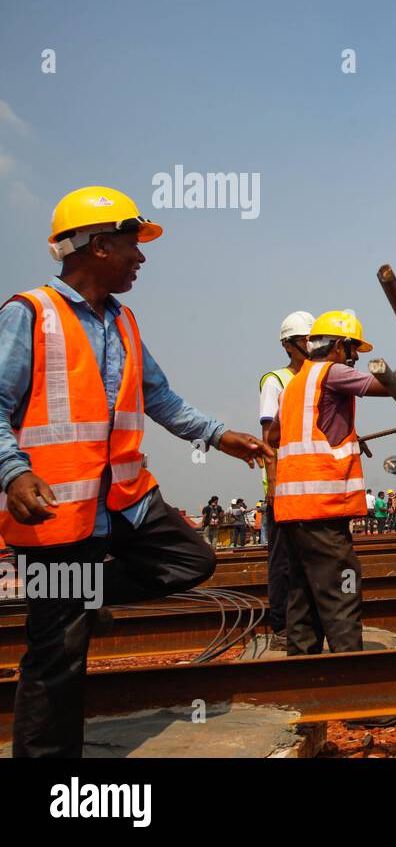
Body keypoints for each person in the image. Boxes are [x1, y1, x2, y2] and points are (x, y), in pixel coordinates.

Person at [0, 185, 271, 757]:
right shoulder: (30, 315)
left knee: (191, 559)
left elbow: (160, 397)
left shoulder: (122, 321)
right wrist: (13, 472)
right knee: (58, 656)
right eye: (132, 245)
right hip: (55, 514)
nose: (141, 258)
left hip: (124, 500)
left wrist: (219, 436)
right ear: (99, 245)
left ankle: (86, 593)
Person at [268, 310, 396, 655]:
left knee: (303, 595)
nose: (355, 359)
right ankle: (351, 673)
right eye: (353, 350)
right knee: (342, 588)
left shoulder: (295, 384)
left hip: (291, 510)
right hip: (322, 508)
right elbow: (393, 384)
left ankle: (301, 677)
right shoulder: (331, 372)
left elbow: (276, 433)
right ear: (338, 346)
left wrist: (340, 431)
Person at [258, 310, 314, 648]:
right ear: (289, 345)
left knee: (308, 560)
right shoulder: (275, 381)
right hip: (284, 488)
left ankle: (304, 622)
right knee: (281, 561)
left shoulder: (313, 378)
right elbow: (269, 439)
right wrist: (274, 487)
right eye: (306, 338)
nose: (311, 344)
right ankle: (280, 626)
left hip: (310, 487)